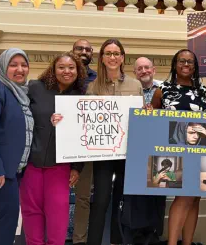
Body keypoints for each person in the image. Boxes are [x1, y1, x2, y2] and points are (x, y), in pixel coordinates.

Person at [19, 52, 85, 245]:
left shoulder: (80, 96)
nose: (66, 71)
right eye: (61, 67)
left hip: (60, 166)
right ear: (53, 69)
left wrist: (77, 167)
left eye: (71, 67)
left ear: (78, 70)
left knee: (58, 219)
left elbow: (83, 135)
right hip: (32, 163)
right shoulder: (34, 88)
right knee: (31, 215)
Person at [85, 39, 144, 245]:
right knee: (100, 199)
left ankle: (117, 241)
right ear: (101, 58)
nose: (112, 57)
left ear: (122, 57)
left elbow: (140, 116)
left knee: (121, 198)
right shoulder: (92, 86)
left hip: (127, 150)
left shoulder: (135, 85)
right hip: (102, 152)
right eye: (108, 53)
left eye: (116, 53)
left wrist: (146, 113)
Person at [151, 48, 206, 245]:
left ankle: (187, 242)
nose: (186, 65)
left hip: (199, 150)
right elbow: (153, 119)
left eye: (190, 62)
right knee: (184, 196)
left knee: (195, 198)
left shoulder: (203, 91)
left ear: (195, 67)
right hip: (174, 151)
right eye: (182, 61)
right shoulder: (163, 90)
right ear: (175, 65)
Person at [0, 48, 33, 245]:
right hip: (0, 173)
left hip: (14, 171)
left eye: (23, 65)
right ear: (4, 67)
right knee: (7, 217)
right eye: (13, 65)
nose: (19, 69)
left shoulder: (23, 96)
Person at [72, 39, 97, 245]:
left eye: (88, 49)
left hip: (86, 146)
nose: (84, 52)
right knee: (55, 197)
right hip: (57, 144)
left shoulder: (97, 80)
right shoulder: (58, 76)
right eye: (79, 48)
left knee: (82, 197)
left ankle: (79, 240)